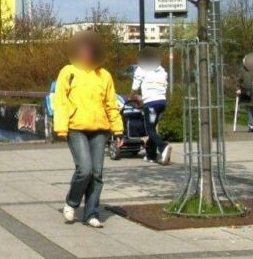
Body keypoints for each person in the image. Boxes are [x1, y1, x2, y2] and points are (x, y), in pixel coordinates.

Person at [53, 31, 123, 228]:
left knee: (97, 173)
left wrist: (118, 129)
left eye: (90, 50)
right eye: (83, 50)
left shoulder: (104, 75)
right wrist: (61, 127)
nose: (86, 53)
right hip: (76, 128)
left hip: (100, 129)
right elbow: (61, 101)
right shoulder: (69, 72)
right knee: (85, 169)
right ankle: (71, 202)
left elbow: (111, 104)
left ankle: (91, 213)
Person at [130, 47, 172, 165]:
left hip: (151, 103)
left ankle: (163, 147)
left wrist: (132, 97)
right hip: (161, 103)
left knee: (150, 129)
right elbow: (165, 86)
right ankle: (151, 154)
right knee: (153, 127)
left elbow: (135, 86)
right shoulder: (162, 71)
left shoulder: (141, 69)